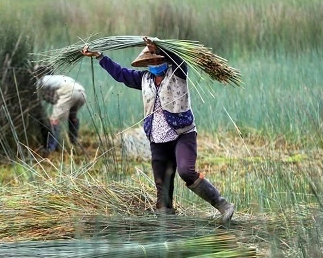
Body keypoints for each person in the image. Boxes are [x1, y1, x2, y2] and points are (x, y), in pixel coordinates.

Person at [81, 37, 235, 223]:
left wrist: (159, 47)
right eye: (151, 60)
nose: (154, 63)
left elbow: (179, 60)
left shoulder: (177, 73)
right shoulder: (144, 79)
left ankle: (223, 205)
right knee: (162, 188)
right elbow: (121, 74)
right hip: (157, 138)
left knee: (186, 171)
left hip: (182, 134)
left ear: (165, 59)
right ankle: (167, 225)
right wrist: (100, 57)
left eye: (158, 59)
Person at [35, 73, 87, 153]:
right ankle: (73, 142)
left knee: (54, 120)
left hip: (69, 92)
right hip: (82, 93)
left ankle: (50, 148)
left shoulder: (43, 80)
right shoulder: (58, 78)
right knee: (72, 117)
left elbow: (38, 90)